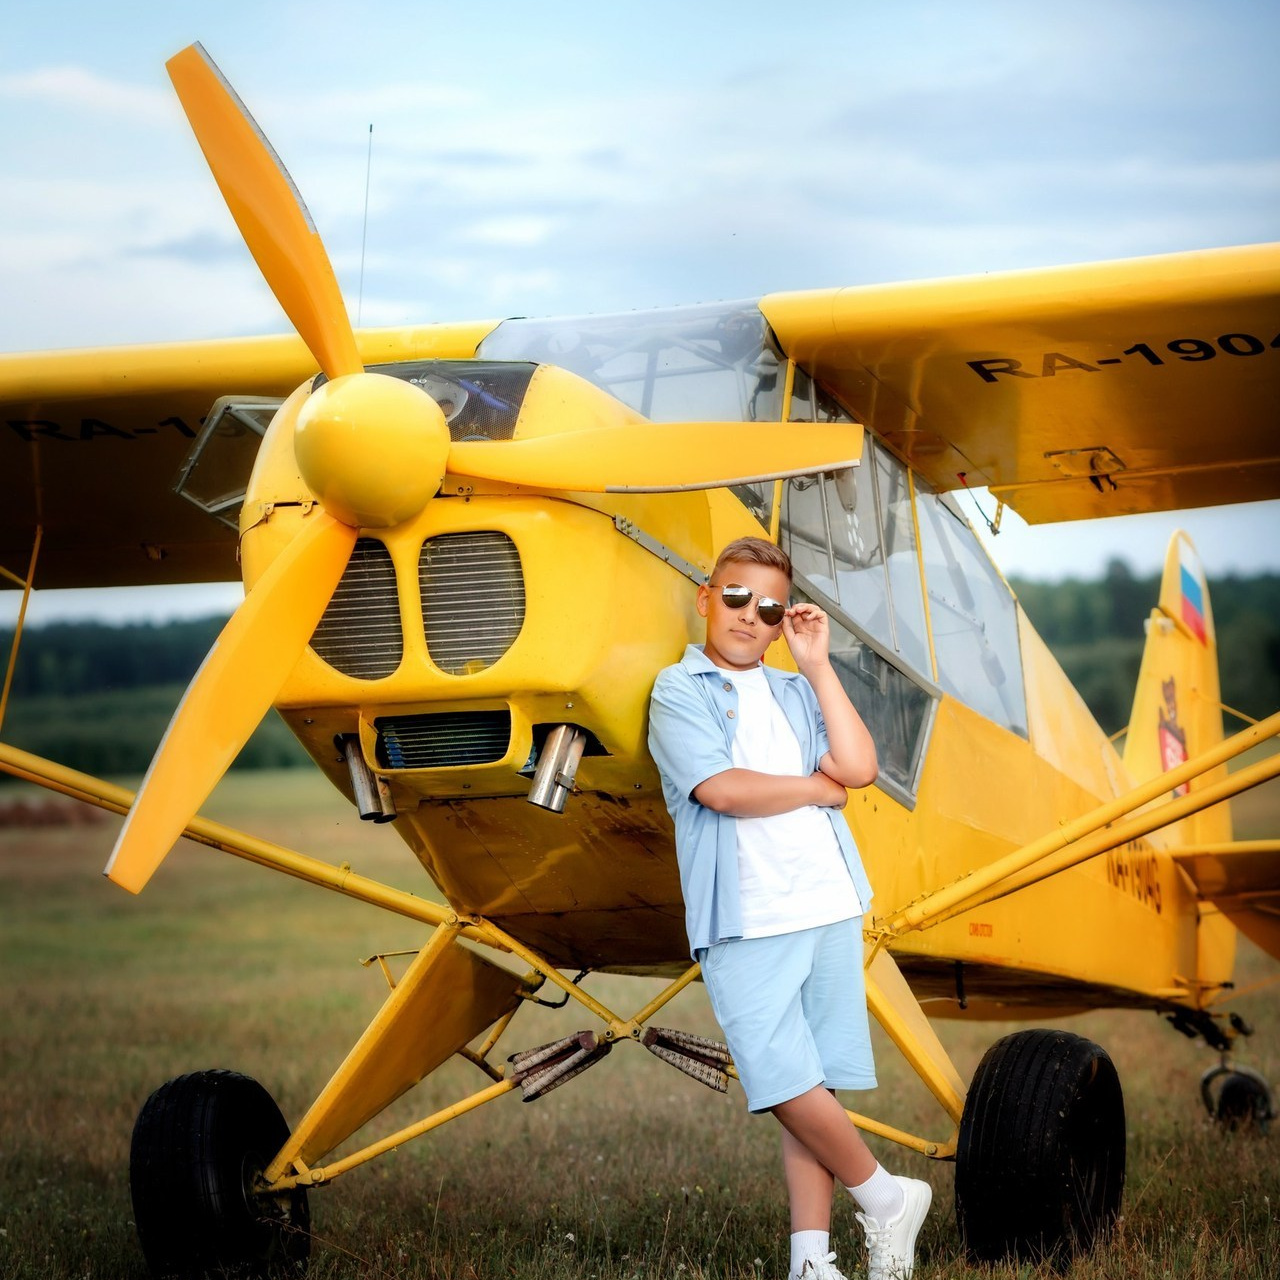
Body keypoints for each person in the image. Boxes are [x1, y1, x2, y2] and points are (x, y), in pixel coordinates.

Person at [648, 536, 932, 1280]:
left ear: (782, 623)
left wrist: (815, 665)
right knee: (779, 1078)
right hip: (746, 912)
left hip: (827, 898)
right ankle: (887, 1199)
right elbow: (722, 790)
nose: (750, 616)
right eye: (737, 597)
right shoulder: (679, 691)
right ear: (707, 598)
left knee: (814, 1083)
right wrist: (813, 788)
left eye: (770, 609)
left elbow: (860, 767)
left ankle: (812, 1260)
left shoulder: (794, 690)